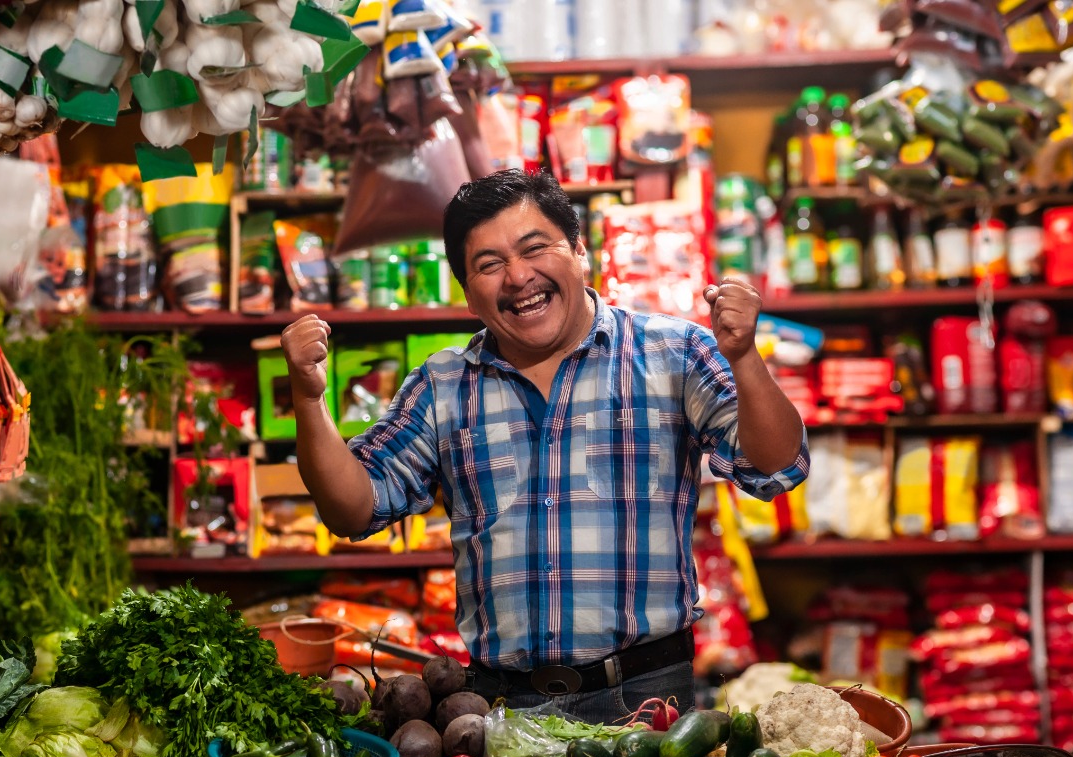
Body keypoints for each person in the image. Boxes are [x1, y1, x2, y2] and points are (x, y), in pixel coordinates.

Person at [280, 170, 808, 724]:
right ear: (466, 291)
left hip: (648, 696)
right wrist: (308, 399)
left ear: (580, 252)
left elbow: (777, 466)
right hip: (502, 705)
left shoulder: (673, 353)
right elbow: (352, 509)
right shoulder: (443, 385)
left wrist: (745, 357)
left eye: (535, 248)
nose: (518, 277)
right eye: (489, 265)